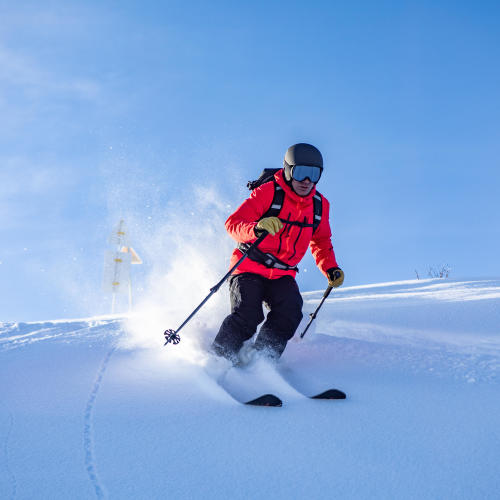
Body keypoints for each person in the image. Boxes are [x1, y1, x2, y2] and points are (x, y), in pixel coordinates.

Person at [212, 143, 344, 364]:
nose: (307, 181)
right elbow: (233, 224)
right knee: (248, 314)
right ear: (288, 170)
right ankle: (218, 359)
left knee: (290, 312)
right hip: (249, 267)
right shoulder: (268, 192)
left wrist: (330, 268)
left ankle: (261, 360)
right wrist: (256, 228)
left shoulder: (319, 205)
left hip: (282, 274)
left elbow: (321, 241)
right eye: (301, 172)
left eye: (314, 174)